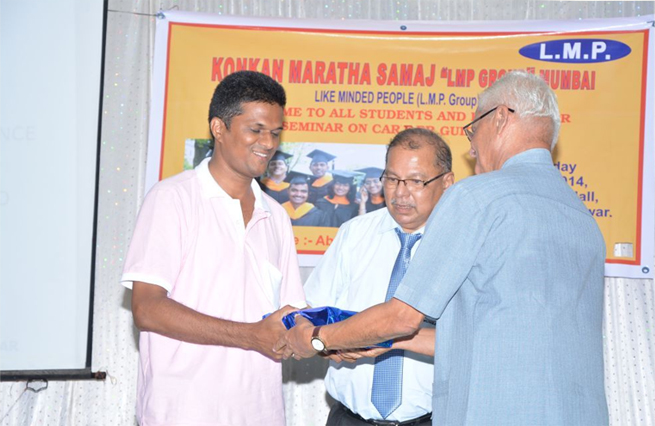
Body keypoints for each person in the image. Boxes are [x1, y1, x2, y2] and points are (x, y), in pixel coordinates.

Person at [276, 70, 609, 426]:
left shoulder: (477, 197)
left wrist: (318, 339)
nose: (472, 147)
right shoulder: (583, 219)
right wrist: (387, 341)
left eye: (473, 129)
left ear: (499, 118)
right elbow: (496, 335)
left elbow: (402, 317)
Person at [121, 70, 305, 426]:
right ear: (219, 128)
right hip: (182, 413)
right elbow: (147, 309)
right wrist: (250, 336)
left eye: (275, 132)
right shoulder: (172, 198)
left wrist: (333, 339)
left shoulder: (276, 216)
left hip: (261, 412)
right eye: (255, 129)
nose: (268, 143)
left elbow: (290, 315)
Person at [304, 128, 454, 426]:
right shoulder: (354, 234)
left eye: (416, 181)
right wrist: (324, 342)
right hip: (349, 419)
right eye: (392, 179)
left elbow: (474, 342)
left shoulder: (461, 245)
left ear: (447, 182)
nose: (400, 193)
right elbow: (313, 311)